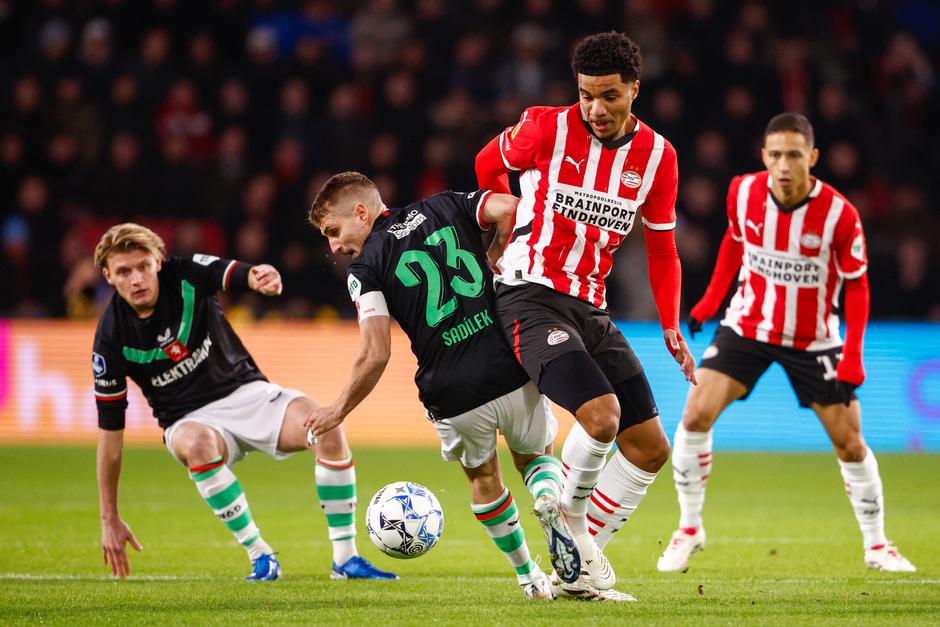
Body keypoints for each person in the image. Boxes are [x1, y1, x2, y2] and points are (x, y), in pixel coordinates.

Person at [304, 172, 633, 601]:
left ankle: (529, 578)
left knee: (483, 478)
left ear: (361, 212)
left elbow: (376, 353)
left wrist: (337, 410)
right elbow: (512, 209)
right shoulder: (445, 205)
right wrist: (495, 254)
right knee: (535, 456)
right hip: (507, 364)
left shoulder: (365, 268)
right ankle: (550, 499)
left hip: (451, 390)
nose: (334, 246)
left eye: (334, 231)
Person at [474, 31, 695, 595]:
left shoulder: (659, 157)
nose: (595, 109)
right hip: (528, 293)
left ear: (634, 91)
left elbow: (664, 248)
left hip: (591, 305)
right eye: (585, 95)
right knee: (601, 416)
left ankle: (575, 565)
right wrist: (501, 221)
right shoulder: (546, 126)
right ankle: (569, 524)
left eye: (609, 96)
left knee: (650, 449)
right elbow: (486, 163)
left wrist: (671, 323)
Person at [656, 113, 916, 573]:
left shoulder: (840, 213)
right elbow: (735, 243)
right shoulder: (743, 191)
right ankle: (689, 528)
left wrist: (853, 354)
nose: (783, 164)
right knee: (694, 414)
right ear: (763, 156)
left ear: (812, 158)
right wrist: (710, 302)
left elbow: (857, 286)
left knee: (850, 443)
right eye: (775, 154)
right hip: (748, 326)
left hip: (813, 339)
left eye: (794, 155)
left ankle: (877, 545)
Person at [93, 223, 397, 581]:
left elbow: (233, 272)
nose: (137, 279)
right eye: (124, 271)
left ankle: (345, 559)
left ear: (158, 261)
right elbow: (110, 441)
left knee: (328, 428)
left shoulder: (185, 274)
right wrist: (109, 518)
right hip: (188, 419)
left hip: (247, 392)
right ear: (108, 276)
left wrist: (258, 276)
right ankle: (260, 555)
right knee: (197, 443)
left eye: (143, 266)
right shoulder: (110, 339)